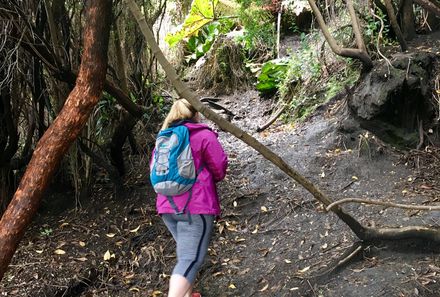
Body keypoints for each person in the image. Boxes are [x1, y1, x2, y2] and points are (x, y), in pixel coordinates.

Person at [153, 99, 228, 297]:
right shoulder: (203, 135)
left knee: (187, 254)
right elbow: (219, 168)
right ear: (196, 114)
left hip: (166, 207)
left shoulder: (164, 137)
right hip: (196, 207)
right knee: (190, 259)